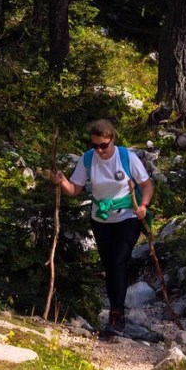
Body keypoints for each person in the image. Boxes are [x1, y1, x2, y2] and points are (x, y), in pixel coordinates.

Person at [51, 119, 154, 340]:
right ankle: (115, 312)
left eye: (103, 145)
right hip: (101, 219)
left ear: (112, 140)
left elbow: (147, 185)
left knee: (118, 260)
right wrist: (61, 181)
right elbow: (75, 189)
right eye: (95, 145)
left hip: (128, 216)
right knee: (109, 265)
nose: (99, 150)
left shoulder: (127, 157)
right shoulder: (88, 159)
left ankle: (117, 316)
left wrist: (143, 206)